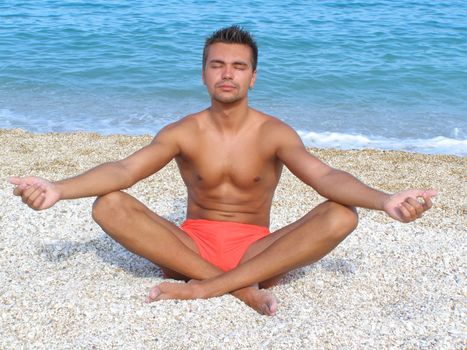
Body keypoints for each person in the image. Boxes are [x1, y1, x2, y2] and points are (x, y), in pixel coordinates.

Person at [9, 26, 436, 316]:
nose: (227, 73)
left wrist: (385, 200)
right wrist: (58, 189)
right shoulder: (184, 132)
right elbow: (125, 169)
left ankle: (205, 286)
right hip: (188, 248)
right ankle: (237, 289)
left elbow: (325, 177)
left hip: (258, 253)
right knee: (109, 205)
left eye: (238, 66)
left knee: (342, 212)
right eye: (217, 65)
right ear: (204, 73)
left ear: (253, 77)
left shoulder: (274, 132)